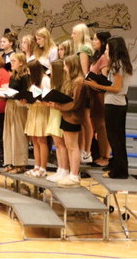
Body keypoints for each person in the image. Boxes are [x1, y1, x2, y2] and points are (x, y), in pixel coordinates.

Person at [85, 36, 133, 179]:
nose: (105, 52)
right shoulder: (120, 64)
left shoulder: (118, 65)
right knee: (116, 138)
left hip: (115, 104)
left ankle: (119, 170)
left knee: (115, 138)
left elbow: (116, 87)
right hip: (116, 103)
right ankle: (117, 167)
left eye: (107, 49)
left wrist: (96, 85)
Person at [46, 55, 87, 187]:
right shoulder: (72, 80)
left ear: (72, 66)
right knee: (69, 146)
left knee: (73, 147)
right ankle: (70, 173)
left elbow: (75, 103)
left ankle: (74, 175)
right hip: (66, 115)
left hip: (73, 117)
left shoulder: (79, 81)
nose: (64, 68)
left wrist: (57, 106)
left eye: (65, 65)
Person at [86, 31, 111, 167]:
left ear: (102, 42)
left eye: (95, 39)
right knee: (98, 126)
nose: (93, 41)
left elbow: (105, 79)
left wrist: (94, 82)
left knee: (102, 126)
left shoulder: (104, 58)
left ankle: (106, 156)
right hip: (94, 94)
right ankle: (101, 154)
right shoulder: (97, 56)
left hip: (101, 95)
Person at [2, 53, 29, 174]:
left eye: (14, 61)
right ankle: (10, 162)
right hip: (10, 104)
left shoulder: (25, 76)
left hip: (19, 106)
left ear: (21, 63)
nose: (11, 63)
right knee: (8, 134)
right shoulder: (13, 75)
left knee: (18, 135)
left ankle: (20, 163)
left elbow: (25, 93)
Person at [71, 23, 94, 164]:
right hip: (81, 86)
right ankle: (83, 150)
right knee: (83, 120)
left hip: (83, 88)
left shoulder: (84, 49)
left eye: (74, 33)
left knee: (85, 120)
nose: (72, 36)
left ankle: (86, 151)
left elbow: (84, 72)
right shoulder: (82, 48)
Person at [23, 60, 50, 177]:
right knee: (34, 140)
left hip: (42, 111)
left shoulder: (45, 80)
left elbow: (47, 97)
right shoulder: (34, 81)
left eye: (29, 70)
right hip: (33, 110)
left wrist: (38, 99)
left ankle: (43, 168)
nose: (28, 73)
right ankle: (36, 166)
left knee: (41, 140)